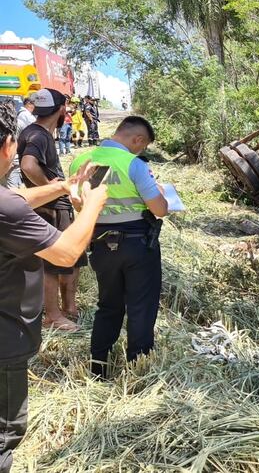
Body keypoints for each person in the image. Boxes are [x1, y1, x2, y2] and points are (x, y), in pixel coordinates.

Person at [0, 99, 107, 473]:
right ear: (8, 146)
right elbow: (65, 253)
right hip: (5, 342)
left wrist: (64, 185)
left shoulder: (6, 202)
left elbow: (17, 198)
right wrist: (92, 203)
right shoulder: (6, 209)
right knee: (4, 435)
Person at [69, 116, 168, 378]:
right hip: (138, 244)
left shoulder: (80, 162)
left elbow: (79, 205)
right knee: (141, 307)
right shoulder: (133, 164)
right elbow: (159, 209)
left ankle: (98, 368)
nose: (141, 150)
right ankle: (138, 370)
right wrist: (163, 197)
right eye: (143, 145)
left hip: (100, 245)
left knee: (108, 306)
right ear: (137, 139)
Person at [18, 89, 86, 331]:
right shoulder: (39, 136)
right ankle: (54, 316)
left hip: (50, 205)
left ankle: (68, 309)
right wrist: (50, 188)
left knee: (70, 259)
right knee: (54, 262)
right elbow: (27, 165)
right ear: (59, 110)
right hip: (52, 208)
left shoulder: (35, 131)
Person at [0, 98, 35, 189]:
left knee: (9, 188)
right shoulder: (19, 123)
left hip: (13, 161)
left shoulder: (17, 123)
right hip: (12, 160)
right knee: (11, 189)